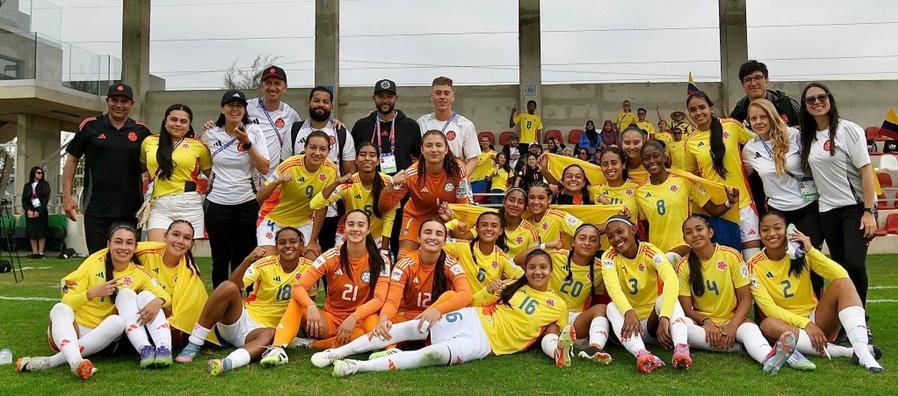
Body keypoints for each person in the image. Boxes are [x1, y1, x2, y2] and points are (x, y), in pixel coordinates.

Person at [308, 249, 573, 376]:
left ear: (551, 271)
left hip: (484, 343)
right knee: (412, 327)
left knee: (431, 355)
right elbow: (473, 300)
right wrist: (489, 291)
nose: (538, 272)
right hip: (473, 318)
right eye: (533, 267)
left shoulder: (557, 305)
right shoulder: (511, 286)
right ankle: (336, 352)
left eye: (543, 268)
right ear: (526, 270)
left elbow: (558, 333)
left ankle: (358, 367)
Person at [16, 224, 172, 379]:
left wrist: (158, 301)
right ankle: (74, 361)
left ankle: (56, 362)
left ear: (135, 247)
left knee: (117, 322)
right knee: (59, 309)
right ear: (108, 244)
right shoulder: (92, 264)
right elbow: (66, 300)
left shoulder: (139, 272)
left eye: (129, 243)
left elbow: (164, 295)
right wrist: (91, 293)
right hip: (69, 330)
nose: (123, 247)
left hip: (100, 336)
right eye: (118, 241)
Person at [748, 211, 884, 373]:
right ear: (759, 233)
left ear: (788, 231)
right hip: (787, 325)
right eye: (765, 230)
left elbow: (841, 275)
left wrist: (811, 250)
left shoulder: (801, 254)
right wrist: (806, 325)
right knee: (767, 324)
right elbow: (769, 309)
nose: (771, 234)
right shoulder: (753, 265)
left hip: (817, 318)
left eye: (777, 228)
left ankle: (863, 352)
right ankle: (846, 352)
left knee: (843, 284)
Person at [174, 227, 311, 375]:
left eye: (293, 241)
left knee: (271, 333)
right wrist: (248, 259)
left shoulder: (309, 268)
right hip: (240, 318)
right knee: (228, 286)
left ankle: (226, 364)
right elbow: (235, 284)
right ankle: (194, 343)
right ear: (276, 247)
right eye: (282, 242)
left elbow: (306, 303)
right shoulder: (265, 264)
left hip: (260, 333)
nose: (288, 246)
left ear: (302, 245)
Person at [262, 210, 391, 366]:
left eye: (361, 225)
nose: (355, 229)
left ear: (368, 230)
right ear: (344, 229)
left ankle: (313, 344)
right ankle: (277, 349)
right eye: (351, 224)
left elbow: (379, 299)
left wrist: (353, 318)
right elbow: (299, 287)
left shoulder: (381, 259)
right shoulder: (331, 256)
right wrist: (311, 306)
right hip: (331, 320)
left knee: (370, 329)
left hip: (361, 320)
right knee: (297, 302)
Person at [677, 216, 796, 374]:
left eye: (699, 229)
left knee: (750, 331)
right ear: (685, 238)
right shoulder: (683, 265)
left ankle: (768, 358)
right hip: (703, 325)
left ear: (710, 232)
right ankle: (738, 347)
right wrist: (706, 321)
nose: (695, 234)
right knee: (682, 327)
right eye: (689, 232)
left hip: (733, 319)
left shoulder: (731, 255)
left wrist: (732, 326)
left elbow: (746, 298)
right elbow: (687, 308)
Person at [798, 82, 878, 307]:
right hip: (827, 211)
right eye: (810, 99)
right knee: (839, 268)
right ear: (805, 106)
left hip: (855, 207)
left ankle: (861, 321)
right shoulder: (807, 137)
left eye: (821, 97)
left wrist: (869, 211)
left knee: (855, 264)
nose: (817, 102)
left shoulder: (847, 129)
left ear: (830, 100)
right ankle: (846, 320)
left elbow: (866, 170)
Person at [353, 219, 473, 359]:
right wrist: (384, 318)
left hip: (437, 319)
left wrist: (437, 310)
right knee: (370, 317)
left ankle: (396, 342)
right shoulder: (405, 263)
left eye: (438, 234)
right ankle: (390, 349)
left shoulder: (451, 264)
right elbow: (392, 301)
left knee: (451, 295)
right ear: (418, 238)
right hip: (409, 318)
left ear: (444, 241)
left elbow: (466, 295)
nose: (433, 237)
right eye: (428, 232)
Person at [742, 99, 824, 293]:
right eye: (753, 118)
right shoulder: (750, 149)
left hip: (808, 208)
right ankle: (789, 308)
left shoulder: (795, 136)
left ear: (772, 116)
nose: (758, 122)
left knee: (810, 260)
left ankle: (817, 309)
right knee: (783, 262)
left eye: (763, 117)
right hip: (778, 213)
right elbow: (740, 177)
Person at [62, 83, 152, 253]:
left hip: (130, 209)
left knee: (127, 260)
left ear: (132, 104)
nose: (119, 105)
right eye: (114, 100)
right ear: (107, 101)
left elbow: (156, 159)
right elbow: (72, 160)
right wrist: (67, 197)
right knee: (98, 261)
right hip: (97, 209)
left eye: (124, 101)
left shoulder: (142, 131)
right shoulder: (90, 126)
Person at [601, 215, 691, 373]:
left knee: (666, 299)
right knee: (610, 307)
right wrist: (628, 312)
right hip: (627, 326)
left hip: (652, 323)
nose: (616, 238)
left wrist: (664, 316)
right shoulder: (608, 257)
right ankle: (642, 354)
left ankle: (681, 350)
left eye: (620, 232)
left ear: (633, 230)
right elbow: (612, 288)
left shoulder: (650, 251)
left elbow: (671, 280)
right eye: (610, 236)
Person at [514, 224, 613, 364]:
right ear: (573, 242)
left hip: (573, 319)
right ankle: (558, 352)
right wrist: (544, 246)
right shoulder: (556, 256)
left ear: (598, 246)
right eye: (582, 238)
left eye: (592, 240)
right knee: (552, 327)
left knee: (602, 308)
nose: (587, 243)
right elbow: (517, 261)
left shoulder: (601, 268)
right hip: (548, 311)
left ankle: (594, 349)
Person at [201, 90, 270, 288]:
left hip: (246, 203)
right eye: (230, 105)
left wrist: (246, 143)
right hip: (217, 204)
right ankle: (222, 310)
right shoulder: (211, 134)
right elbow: (205, 164)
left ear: (245, 109)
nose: (235, 109)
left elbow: (264, 167)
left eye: (239, 105)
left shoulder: (255, 131)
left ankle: (245, 309)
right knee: (220, 260)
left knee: (245, 259)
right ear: (222, 109)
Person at [350, 79, 423, 260]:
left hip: (402, 195)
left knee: (399, 241)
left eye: (389, 96)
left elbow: (421, 161)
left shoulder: (410, 126)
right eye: (380, 96)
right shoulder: (362, 125)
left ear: (396, 98)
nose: (385, 100)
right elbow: (352, 159)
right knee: (368, 242)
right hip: (369, 194)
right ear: (374, 98)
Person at [282, 86, 357, 254]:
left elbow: (350, 173)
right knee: (300, 260)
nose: (320, 105)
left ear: (331, 106)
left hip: (330, 210)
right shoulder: (294, 130)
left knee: (329, 259)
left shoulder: (341, 132)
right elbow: (284, 168)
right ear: (309, 103)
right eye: (316, 100)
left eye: (325, 102)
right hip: (299, 210)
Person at [685, 91, 760, 257]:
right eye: (693, 110)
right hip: (720, 212)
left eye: (702, 107)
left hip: (744, 205)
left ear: (711, 107)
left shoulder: (731, 126)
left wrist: (750, 166)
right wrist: (707, 203)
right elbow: (692, 178)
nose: (698, 113)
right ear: (689, 114)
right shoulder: (690, 141)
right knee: (729, 264)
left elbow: (758, 142)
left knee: (753, 261)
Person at [637, 141, 736, 262]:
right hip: (657, 252)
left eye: (656, 156)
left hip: (684, 246)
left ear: (665, 157)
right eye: (646, 158)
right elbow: (645, 226)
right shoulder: (640, 192)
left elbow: (713, 210)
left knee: (670, 259)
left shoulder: (684, 181)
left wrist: (729, 203)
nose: (651, 161)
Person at [378, 130, 470, 256]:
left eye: (438, 145)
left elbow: (463, 205)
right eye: (428, 145)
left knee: (454, 257)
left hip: (447, 219)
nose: (434, 149)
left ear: (446, 149)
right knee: (404, 257)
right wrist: (391, 184)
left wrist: (452, 218)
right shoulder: (411, 174)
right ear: (422, 150)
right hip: (416, 217)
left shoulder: (458, 170)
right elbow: (384, 207)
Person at [257, 131, 338, 257]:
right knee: (269, 264)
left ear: (328, 152)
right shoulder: (289, 165)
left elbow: (322, 206)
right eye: (312, 148)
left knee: (311, 262)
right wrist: (277, 181)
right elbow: (259, 196)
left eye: (322, 149)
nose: (317, 153)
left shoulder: (331, 171)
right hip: (273, 219)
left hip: (303, 222)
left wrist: (312, 241)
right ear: (305, 148)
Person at [139, 104, 211, 241]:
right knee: (157, 252)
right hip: (158, 205)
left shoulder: (198, 146)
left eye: (183, 121)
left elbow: (213, 177)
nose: (178, 124)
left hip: (188, 204)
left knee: (184, 255)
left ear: (189, 126)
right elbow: (141, 168)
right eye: (173, 119)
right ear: (165, 121)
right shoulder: (149, 142)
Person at [134, 220, 209, 348]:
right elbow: (119, 253)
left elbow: (191, 309)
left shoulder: (191, 271)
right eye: (175, 234)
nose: (180, 241)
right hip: (140, 311)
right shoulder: (145, 254)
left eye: (186, 238)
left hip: (167, 320)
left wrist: (160, 303)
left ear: (191, 244)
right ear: (165, 236)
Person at [311, 142, 397, 250]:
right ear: (356, 160)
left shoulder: (389, 182)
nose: (367, 158)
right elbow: (315, 204)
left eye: (372, 155)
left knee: (383, 266)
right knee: (339, 264)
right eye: (362, 154)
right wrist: (337, 182)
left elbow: (389, 218)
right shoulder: (348, 182)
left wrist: (384, 250)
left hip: (377, 237)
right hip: (350, 233)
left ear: (378, 161)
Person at [441, 211, 523, 295]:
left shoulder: (502, 257)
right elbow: (435, 242)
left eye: (494, 226)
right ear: (476, 228)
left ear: (501, 230)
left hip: (485, 306)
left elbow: (523, 278)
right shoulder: (461, 247)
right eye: (484, 225)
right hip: (459, 304)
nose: (489, 229)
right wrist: (451, 223)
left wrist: (503, 285)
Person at [443, 189, 539, 257]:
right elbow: (462, 240)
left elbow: (532, 258)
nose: (515, 205)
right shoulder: (490, 222)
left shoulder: (530, 231)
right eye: (511, 200)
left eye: (520, 202)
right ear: (504, 202)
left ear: (525, 207)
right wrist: (450, 220)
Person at [417, 76, 481, 177]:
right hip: (428, 181)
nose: (442, 97)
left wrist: (460, 180)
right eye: (438, 93)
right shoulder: (422, 122)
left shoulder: (465, 125)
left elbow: (473, 160)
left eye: (446, 93)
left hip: (454, 180)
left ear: (453, 97)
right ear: (431, 96)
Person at [246, 65, 303, 177]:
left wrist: (332, 123)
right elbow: (227, 126)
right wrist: (212, 125)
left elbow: (309, 129)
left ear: (285, 88)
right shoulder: (247, 107)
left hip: (275, 178)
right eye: (268, 83)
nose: (272, 87)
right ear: (261, 86)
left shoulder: (291, 114)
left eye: (277, 83)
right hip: (249, 177)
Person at [730, 60, 801, 127]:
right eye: (748, 80)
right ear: (743, 86)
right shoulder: (738, 113)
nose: (753, 83)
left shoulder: (787, 104)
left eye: (758, 78)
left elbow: (806, 130)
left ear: (766, 81)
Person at [526, 182, 584, 247]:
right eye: (531, 197)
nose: (536, 202)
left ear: (550, 199)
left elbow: (585, 230)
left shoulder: (558, 216)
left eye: (541, 198)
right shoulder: (527, 222)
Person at [22, 165, 50, 258]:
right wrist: (28, 210)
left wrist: (39, 211)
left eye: (41, 173)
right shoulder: (27, 186)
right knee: (32, 232)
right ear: (33, 174)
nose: (40, 174)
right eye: (38, 173)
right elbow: (24, 200)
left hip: (41, 211)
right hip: (30, 211)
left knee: (41, 231)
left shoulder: (45, 184)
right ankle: (35, 252)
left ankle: (41, 253)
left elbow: (45, 200)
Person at [470, 134, 497, 199]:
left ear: (489, 143)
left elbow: (500, 164)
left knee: (477, 199)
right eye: (483, 141)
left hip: (484, 179)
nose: (484, 142)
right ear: (480, 143)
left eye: (486, 141)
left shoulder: (495, 154)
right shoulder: (477, 154)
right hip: (473, 179)